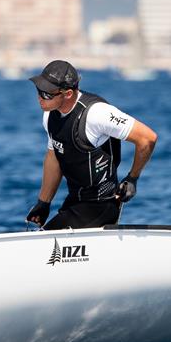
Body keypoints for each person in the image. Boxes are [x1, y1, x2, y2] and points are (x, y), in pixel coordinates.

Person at [26, 60, 157, 230]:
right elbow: (54, 157)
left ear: (67, 94)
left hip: (101, 205)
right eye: (39, 90)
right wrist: (43, 203)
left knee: (45, 244)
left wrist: (132, 178)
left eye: (47, 94)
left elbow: (147, 138)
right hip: (75, 202)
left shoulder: (98, 113)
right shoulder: (50, 115)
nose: (40, 97)